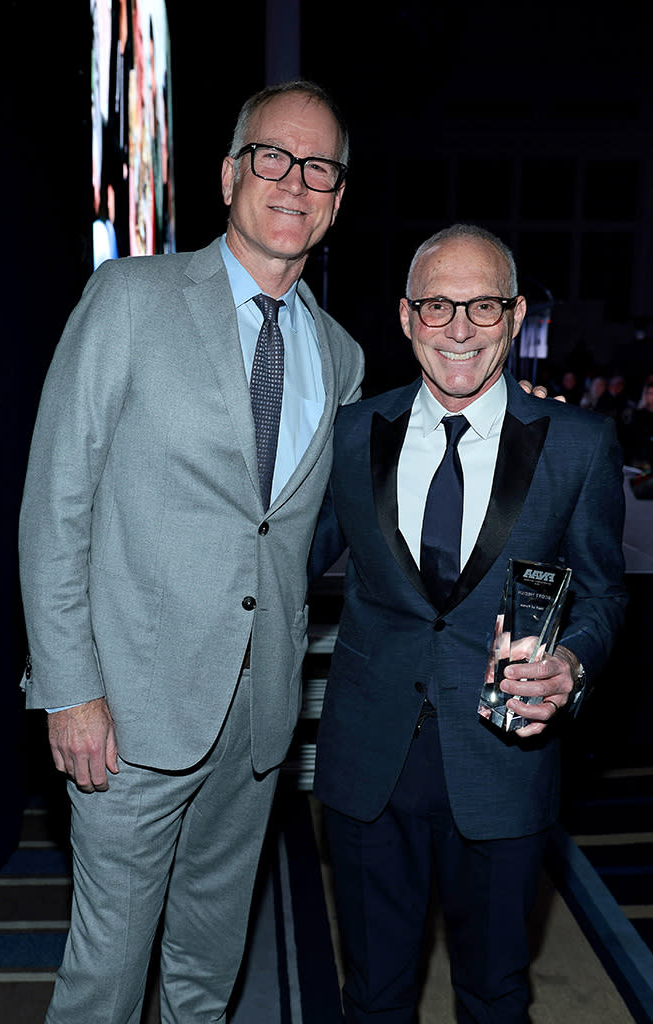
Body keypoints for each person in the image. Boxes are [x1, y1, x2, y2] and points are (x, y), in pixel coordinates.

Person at [18, 80, 364, 1024]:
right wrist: (69, 688)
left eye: (319, 166)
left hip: (257, 726)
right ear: (228, 174)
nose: (294, 180)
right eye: (272, 157)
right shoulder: (129, 296)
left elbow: (295, 533)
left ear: (336, 198)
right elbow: (56, 504)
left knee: (208, 976)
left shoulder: (342, 357)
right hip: (125, 717)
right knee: (105, 983)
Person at [310, 224, 626, 1023]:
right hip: (367, 762)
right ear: (406, 317)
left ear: (515, 316)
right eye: (437, 306)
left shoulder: (578, 446)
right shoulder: (352, 435)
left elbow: (601, 593)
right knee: (372, 998)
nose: (458, 329)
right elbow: (276, 569)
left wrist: (573, 665)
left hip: (502, 764)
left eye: (481, 305)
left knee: (493, 995)